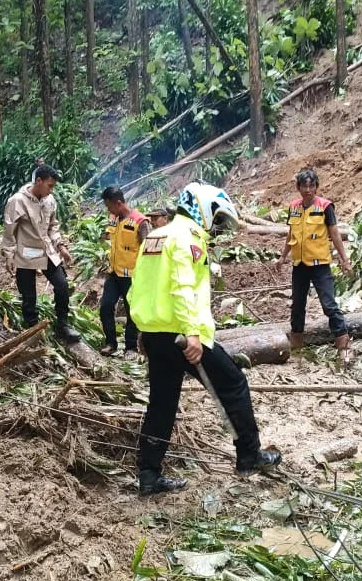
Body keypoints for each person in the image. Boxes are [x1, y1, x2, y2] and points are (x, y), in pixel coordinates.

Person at [127, 181, 282, 494]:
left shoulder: (156, 236)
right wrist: (193, 334)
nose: (217, 226)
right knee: (234, 383)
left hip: (156, 334)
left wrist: (143, 329)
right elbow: (182, 287)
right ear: (205, 209)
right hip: (183, 336)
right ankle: (249, 457)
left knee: (162, 402)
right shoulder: (189, 238)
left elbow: (137, 289)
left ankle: (148, 473)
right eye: (218, 218)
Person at [274, 169, 355, 364]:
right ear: (299, 188)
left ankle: (344, 346)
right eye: (304, 186)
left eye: (312, 186)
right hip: (300, 265)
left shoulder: (325, 207)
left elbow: (334, 234)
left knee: (329, 304)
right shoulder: (293, 208)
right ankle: (296, 347)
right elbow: (291, 234)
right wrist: (282, 256)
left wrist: (345, 259)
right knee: (298, 305)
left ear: (316, 187)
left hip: (320, 265)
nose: (308, 190)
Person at [2, 164, 80, 342]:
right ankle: (33, 330)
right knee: (29, 296)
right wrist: (9, 255)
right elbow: (9, 230)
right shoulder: (18, 201)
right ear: (38, 181)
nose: (51, 190)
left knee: (62, 286)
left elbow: (53, 226)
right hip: (26, 254)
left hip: (47, 251)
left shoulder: (49, 200)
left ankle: (62, 325)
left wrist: (61, 246)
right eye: (49, 186)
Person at [99, 186, 150, 356]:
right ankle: (111, 343)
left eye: (109, 206)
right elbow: (109, 236)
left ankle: (130, 347)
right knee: (106, 307)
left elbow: (146, 250)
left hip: (131, 275)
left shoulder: (140, 221)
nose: (108, 210)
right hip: (114, 272)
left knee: (131, 312)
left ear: (119, 203)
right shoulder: (113, 217)